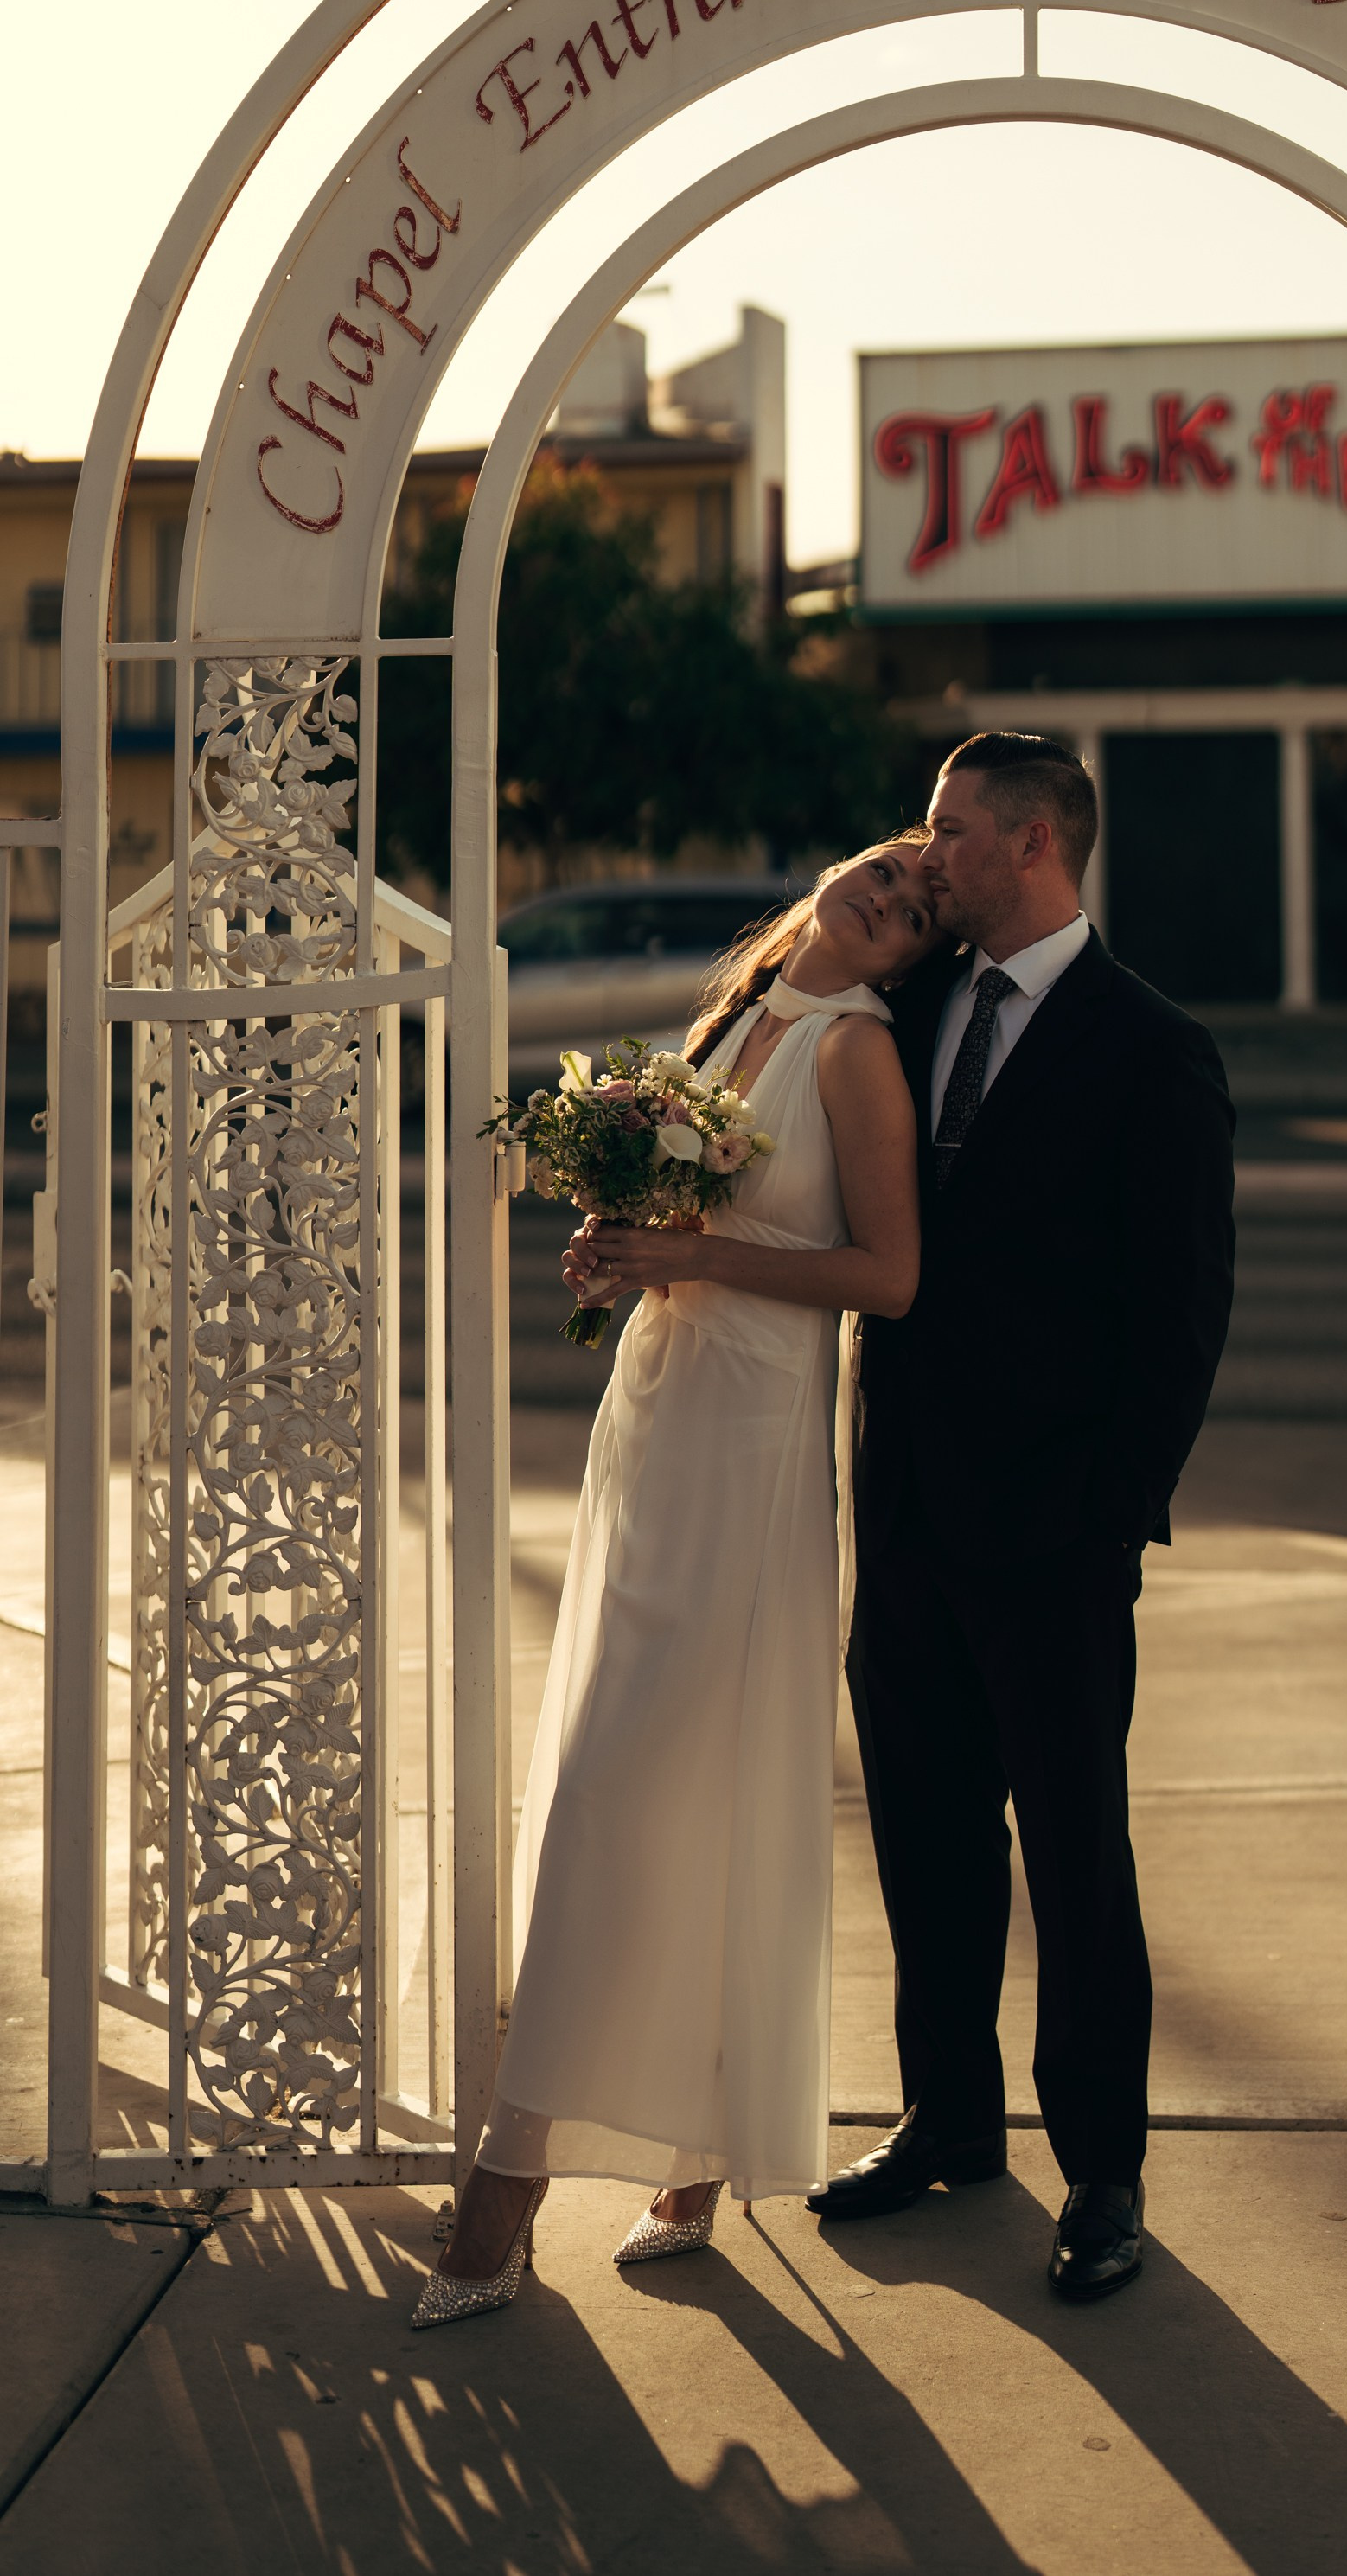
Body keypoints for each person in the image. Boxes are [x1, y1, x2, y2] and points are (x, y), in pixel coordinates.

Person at [411, 835, 947, 2329]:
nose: (890, 899)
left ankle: (502, 2194)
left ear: (915, 957)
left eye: (918, 911)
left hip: (750, 1439)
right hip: (658, 1406)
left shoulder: (857, 1054)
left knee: (613, 1793)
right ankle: (694, 2163)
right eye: (886, 870)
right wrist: (631, 1254)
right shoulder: (742, 1012)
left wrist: (689, 1258)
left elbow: (888, 1277)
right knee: (656, 1784)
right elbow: (697, 1228)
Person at [809, 733, 1235, 2302]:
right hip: (905, 1514)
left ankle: (1103, 2173)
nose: (926, 853)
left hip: (1056, 1536)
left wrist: (1111, 1516)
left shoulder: (1153, 1047)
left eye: (949, 829)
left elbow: (1183, 1313)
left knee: (1075, 1859)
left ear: (1035, 841)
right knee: (925, 1839)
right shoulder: (907, 1007)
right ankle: (948, 2121)